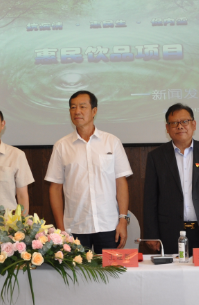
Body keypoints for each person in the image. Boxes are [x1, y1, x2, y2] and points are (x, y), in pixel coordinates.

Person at [45, 91, 133, 254]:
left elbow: (121, 183)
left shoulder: (112, 142)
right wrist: (61, 229)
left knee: (110, 276)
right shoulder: (62, 146)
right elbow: (55, 188)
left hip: (108, 226)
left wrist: (122, 220)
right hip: (75, 228)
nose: (77, 111)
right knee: (77, 278)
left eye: (82, 107)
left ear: (94, 111)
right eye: (73, 107)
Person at [143, 104, 199, 254]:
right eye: (174, 123)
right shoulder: (156, 157)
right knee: (173, 276)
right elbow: (150, 200)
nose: (180, 126)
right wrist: (151, 235)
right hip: (170, 233)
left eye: (184, 121)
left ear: (194, 124)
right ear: (167, 128)